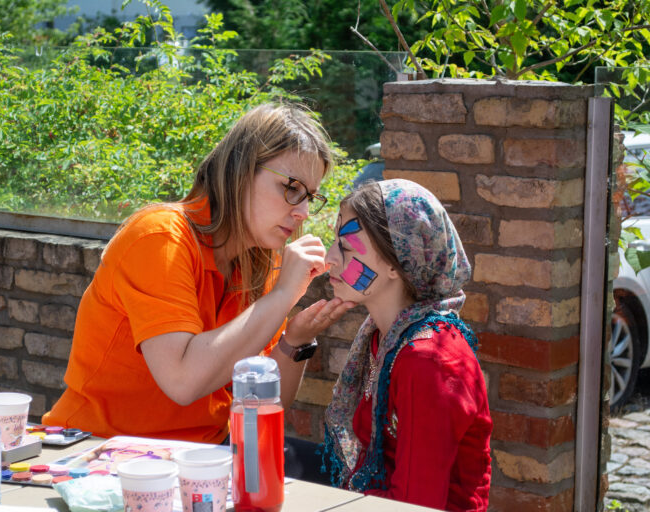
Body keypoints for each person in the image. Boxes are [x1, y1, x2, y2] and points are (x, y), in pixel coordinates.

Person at [42, 103, 356, 444]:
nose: (303, 212)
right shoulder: (159, 237)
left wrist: (295, 341)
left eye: (310, 196)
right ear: (240, 169)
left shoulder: (260, 262)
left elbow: (263, 402)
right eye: (292, 188)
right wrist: (281, 297)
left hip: (201, 460)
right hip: (98, 451)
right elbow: (183, 380)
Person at [321, 179, 492, 510]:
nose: (330, 258)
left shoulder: (429, 361)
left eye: (348, 247)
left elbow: (413, 505)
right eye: (334, 242)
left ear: (396, 262)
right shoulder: (384, 336)